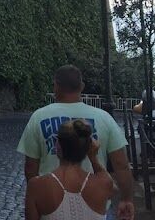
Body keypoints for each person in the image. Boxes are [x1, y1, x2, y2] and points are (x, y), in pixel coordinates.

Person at [18, 65, 135, 220]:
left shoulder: (38, 117)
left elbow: (30, 167)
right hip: (96, 201)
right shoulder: (104, 118)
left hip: (50, 202)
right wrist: (126, 199)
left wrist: (38, 195)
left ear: (56, 86)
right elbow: (121, 164)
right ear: (81, 86)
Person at [25, 119, 116, 219]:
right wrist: (93, 158)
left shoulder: (36, 186)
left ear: (58, 146)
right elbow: (107, 180)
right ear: (88, 148)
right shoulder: (103, 184)